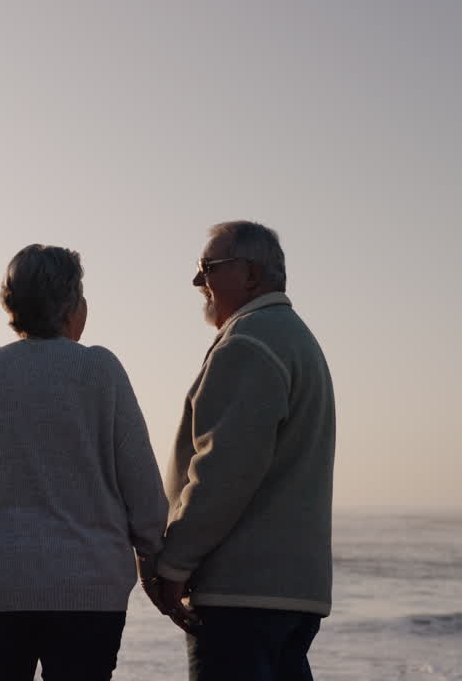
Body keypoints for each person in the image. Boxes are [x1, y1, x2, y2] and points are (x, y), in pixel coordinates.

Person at [0, 244, 168, 681]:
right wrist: (153, 551)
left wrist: (0, 542)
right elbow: (142, 487)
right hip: (88, 588)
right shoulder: (101, 369)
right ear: (72, 306)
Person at [148, 221, 336, 681]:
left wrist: (174, 564)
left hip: (242, 593)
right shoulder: (295, 338)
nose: (197, 281)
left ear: (251, 275)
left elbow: (223, 472)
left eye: (208, 268)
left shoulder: (248, 343)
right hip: (292, 591)